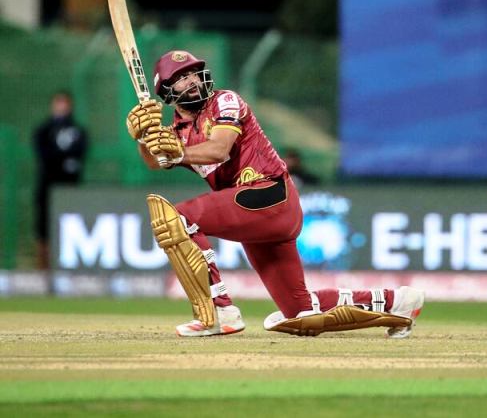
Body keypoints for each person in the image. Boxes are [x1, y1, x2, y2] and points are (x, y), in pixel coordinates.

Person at [126, 50, 424, 337]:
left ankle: (219, 312)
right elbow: (155, 161)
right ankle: (397, 301)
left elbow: (218, 148)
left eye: (193, 72)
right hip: (253, 214)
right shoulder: (177, 132)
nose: (192, 80)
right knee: (298, 310)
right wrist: (142, 137)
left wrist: (177, 153)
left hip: (269, 195)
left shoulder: (224, 101)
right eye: (181, 77)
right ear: (167, 90)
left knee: (177, 218)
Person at [33, 91, 88, 270]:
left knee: (69, 225)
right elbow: (44, 155)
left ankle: (68, 266)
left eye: (65, 103)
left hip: (70, 187)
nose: (62, 107)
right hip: (47, 186)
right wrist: (62, 161)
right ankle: (43, 268)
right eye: (59, 103)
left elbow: (80, 154)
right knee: (44, 229)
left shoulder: (78, 131)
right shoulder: (44, 130)